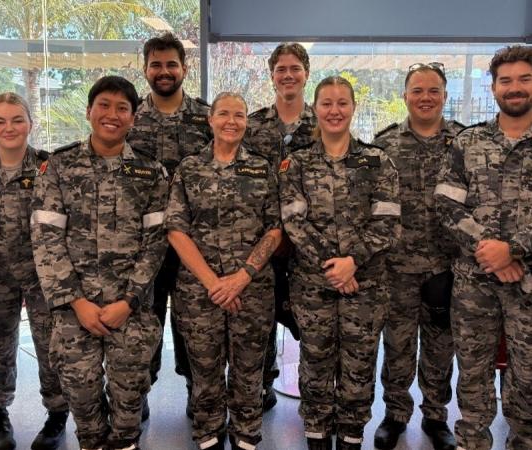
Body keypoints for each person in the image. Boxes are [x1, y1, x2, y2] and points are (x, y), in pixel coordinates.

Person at [434, 45, 532, 449]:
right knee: (473, 378)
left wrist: (514, 250)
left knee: (525, 382)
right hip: (474, 287)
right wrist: (490, 251)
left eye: (523, 79)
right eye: (506, 81)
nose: (514, 88)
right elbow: (446, 205)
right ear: (494, 86)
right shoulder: (469, 142)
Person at [31, 76, 167, 450]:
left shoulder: (150, 172)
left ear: (133, 118)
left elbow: (156, 243)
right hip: (76, 311)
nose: (112, 114)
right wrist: (77, 302)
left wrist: (130, 301)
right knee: (83, 402)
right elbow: (46, 239)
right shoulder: (58, 167)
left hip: (131, 310)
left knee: (129, 404)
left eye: (123, 108)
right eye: (104, 105)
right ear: (89, 111)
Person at [279, 76, 401, 450]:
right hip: (313, 287)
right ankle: (315, 434)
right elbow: (293, 222)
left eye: (342, 103)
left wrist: (353, 262)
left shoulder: (377, 161)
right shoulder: (296, 164)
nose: (335, 110)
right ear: (315, 108)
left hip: (365, 286)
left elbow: (388, 222)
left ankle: (351, 436)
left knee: (359, 364)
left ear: (353, 107)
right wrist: (334, 268)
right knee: (314, 362)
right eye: (327, 103)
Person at [166, 92, 282, 450]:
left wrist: (242, 277)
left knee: (249, 373)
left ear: (247, 122)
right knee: (204, 373)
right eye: (224, 114)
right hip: (200, 292)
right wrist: (215, 284)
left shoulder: (261, 168)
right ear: (210, 120)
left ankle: (247, 436)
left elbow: (275, 228)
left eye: (240, 115)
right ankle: (209, 435)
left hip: (252, 290)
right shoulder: (189, 168)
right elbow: (175, 229)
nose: (232, 121)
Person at [0, 92, 68, 450]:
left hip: (43, 272)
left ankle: (56, 416)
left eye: (17, 120)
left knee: (50, 345)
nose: (9, 128)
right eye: (0, 121)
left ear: (30, 123)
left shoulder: (49, 167)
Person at [371, 62, 462, 450]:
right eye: (417, 90)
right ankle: (395, 414)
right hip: (398, 267)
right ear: (405, 95)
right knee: (398, 345)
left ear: (444, 95)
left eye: (433, 90)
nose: (425, 98)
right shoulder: (385, 144)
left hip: (447, 266)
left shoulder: (463, 142)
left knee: (441, 347)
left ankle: (436, 415)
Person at [126, 32, 212, 418]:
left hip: (196, 242)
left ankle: (199, 390)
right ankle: (141, 391)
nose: (164, 71)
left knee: (194, 323)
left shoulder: (206, 118)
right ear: (145, 69)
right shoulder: (130, 119)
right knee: (145, 320)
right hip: (143, 244)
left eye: (171, 64)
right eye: (156, 65)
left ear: (184, 68)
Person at [244, 43, 317, 408]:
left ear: (306, 72)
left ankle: (316, 389)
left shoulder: (323, 123)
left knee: (310, 318)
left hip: (310, 243)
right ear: (271, 75)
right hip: (262, 239)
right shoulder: (253, 125)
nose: (288, 75)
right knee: (262, 318)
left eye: (295, 68)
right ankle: (263, 383)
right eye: (281, 69)